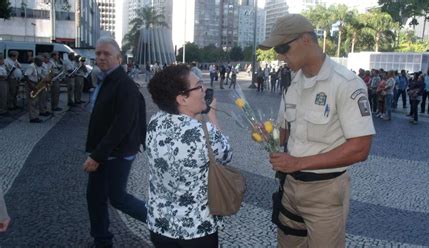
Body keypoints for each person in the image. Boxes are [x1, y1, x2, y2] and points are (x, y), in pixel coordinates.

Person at [260, 14, 375, 248]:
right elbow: (284, 133)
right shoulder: (293, 83)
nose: (280, 56)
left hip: (325, 191)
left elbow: (360, 149)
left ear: (306, 40)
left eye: (283, 48)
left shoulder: (345, 83)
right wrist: (267, 134)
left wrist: (297, 163)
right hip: (289, 187)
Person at [146, 64, 232, 247]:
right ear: (182, 98)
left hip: (160, 224)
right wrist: (213, 116)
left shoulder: (155, 122)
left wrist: (196, 117)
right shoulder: (204, 133)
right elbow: (225, 154)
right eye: (198, 86)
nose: (204, 90)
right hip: (196, 230)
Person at [83, 37, 147, 248]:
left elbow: (121, 126)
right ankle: (102, 241)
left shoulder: (124, 85)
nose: (101, 57)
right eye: (98, 53)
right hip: (107, 150)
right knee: (95, 196)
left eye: (106, 54)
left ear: (119, 58)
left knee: (117, 198)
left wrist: (97, 155)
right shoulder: (108, 79)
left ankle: (166, 223)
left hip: (116, 153)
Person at [24, 57, 44, 123]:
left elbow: (38, 75)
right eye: (41, 61)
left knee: (36, 101)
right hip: (31, 84)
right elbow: (26, 76)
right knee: (32, 102)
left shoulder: (38, 66)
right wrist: (31, 86)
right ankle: (32, 118)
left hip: (35, 84)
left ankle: (36, 116)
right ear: (36, 61)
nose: (42, 63)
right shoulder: (31, 66)